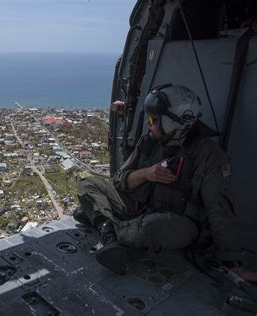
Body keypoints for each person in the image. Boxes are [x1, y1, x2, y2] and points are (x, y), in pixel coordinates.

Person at [74, 84, 257, 282]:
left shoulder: (208, 155)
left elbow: (219, 210)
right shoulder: (150, 141)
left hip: (176, 223)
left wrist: (233, 263)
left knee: (152, 227)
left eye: (153, 119)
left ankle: (103, 223)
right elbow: (119, 181)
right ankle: (110, 231)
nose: (148, 123)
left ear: (173, 123)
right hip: (138, 207)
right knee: (88, 184)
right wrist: (146, 174)